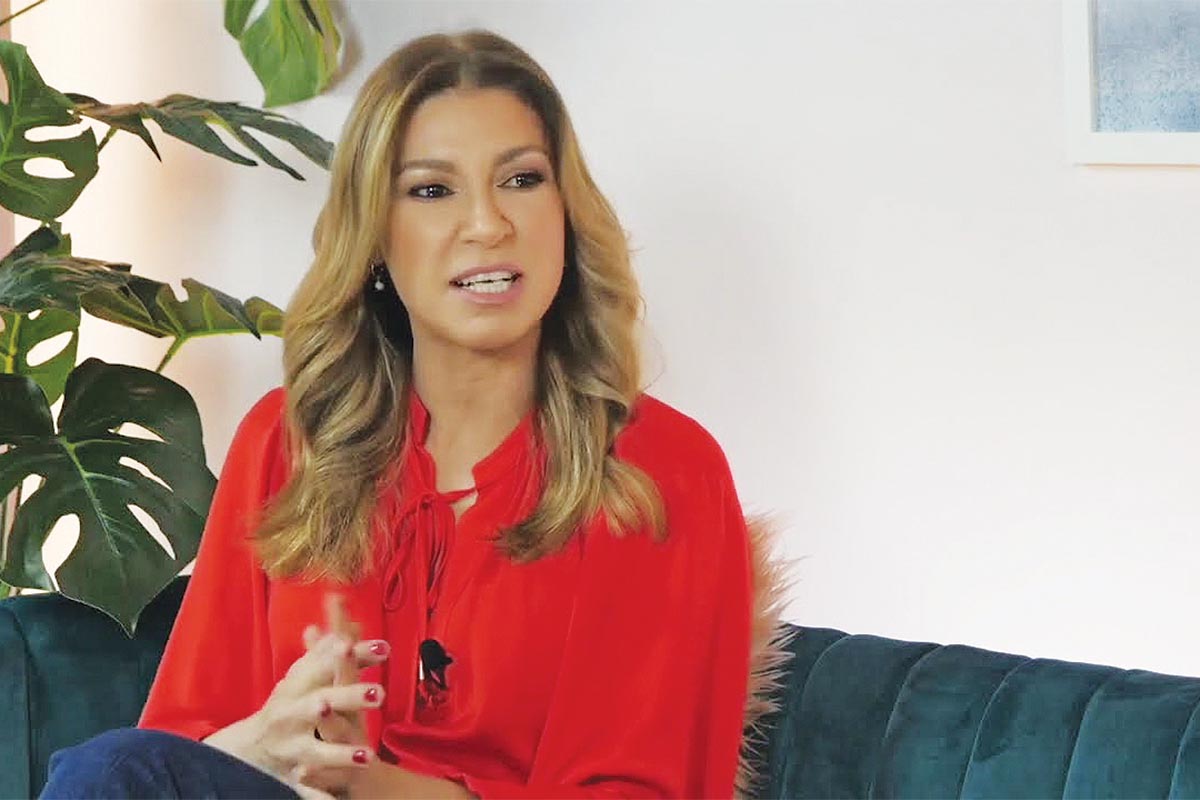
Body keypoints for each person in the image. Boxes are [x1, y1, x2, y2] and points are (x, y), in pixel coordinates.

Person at [41, 28, 753, 800]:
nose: (487, 224)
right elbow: (177, 752)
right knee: (108, 772)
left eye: (521, 179)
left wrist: (362, 783)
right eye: (432, 190)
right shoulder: (288, 442)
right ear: (376, 234)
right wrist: (270, 746)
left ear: (566, 212)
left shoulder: (659, 471)